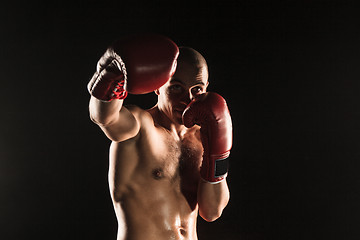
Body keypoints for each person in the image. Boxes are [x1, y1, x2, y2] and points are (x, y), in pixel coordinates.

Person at [87, 34, 233, 240]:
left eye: (197, 90)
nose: (187, 99)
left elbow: (212, 212)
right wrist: (110, 76)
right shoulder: (140, 126)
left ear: (207, 87)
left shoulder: (204, 139)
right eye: (176, 88)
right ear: (158, 86)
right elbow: (105, 117)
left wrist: (218, 154)